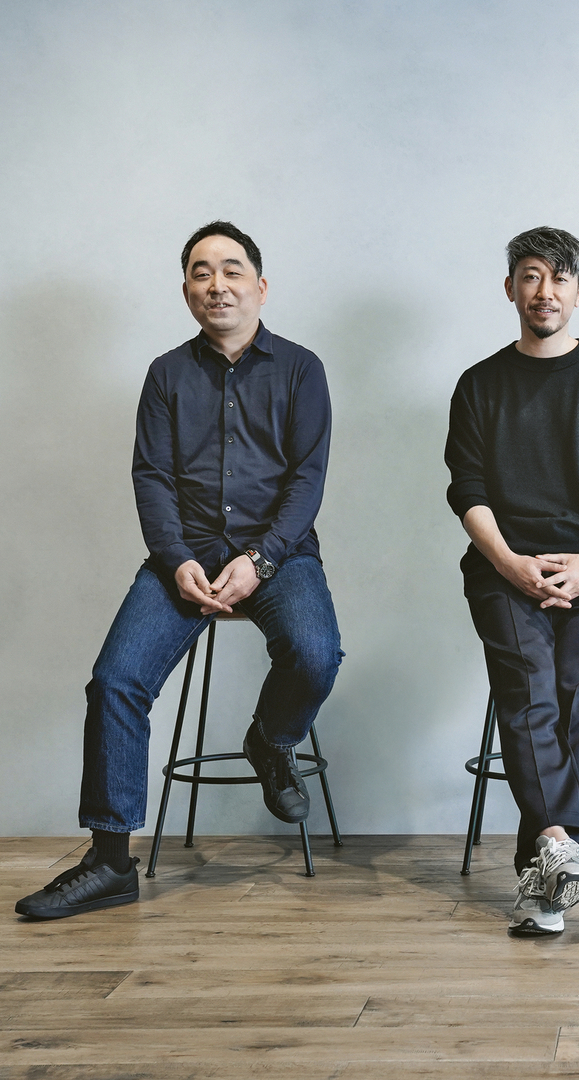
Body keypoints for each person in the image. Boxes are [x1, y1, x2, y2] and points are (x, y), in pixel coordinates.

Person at [16, 221, 343, 919]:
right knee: (115, 682)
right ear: (188, 291)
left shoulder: (301, 369)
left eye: (231, 269)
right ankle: (110, 862)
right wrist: (177, 560)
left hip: (279, 555)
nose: (216, 284)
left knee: (316, 653)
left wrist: (260, 560)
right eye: (200, 272)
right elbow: (152, 476)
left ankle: (270, 741)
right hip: (184, 557)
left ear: (261, 285)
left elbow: (307, 480)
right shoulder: (167, 373)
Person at [445, 227, 579, 934]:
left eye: (560, 278)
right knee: (530, 683)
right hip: (505, 568)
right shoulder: (480, 384)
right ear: (510, 288)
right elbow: (467, 490)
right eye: (531, 276)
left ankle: (546, 863)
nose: (545, 291)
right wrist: (509, 563)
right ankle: (561, 851)